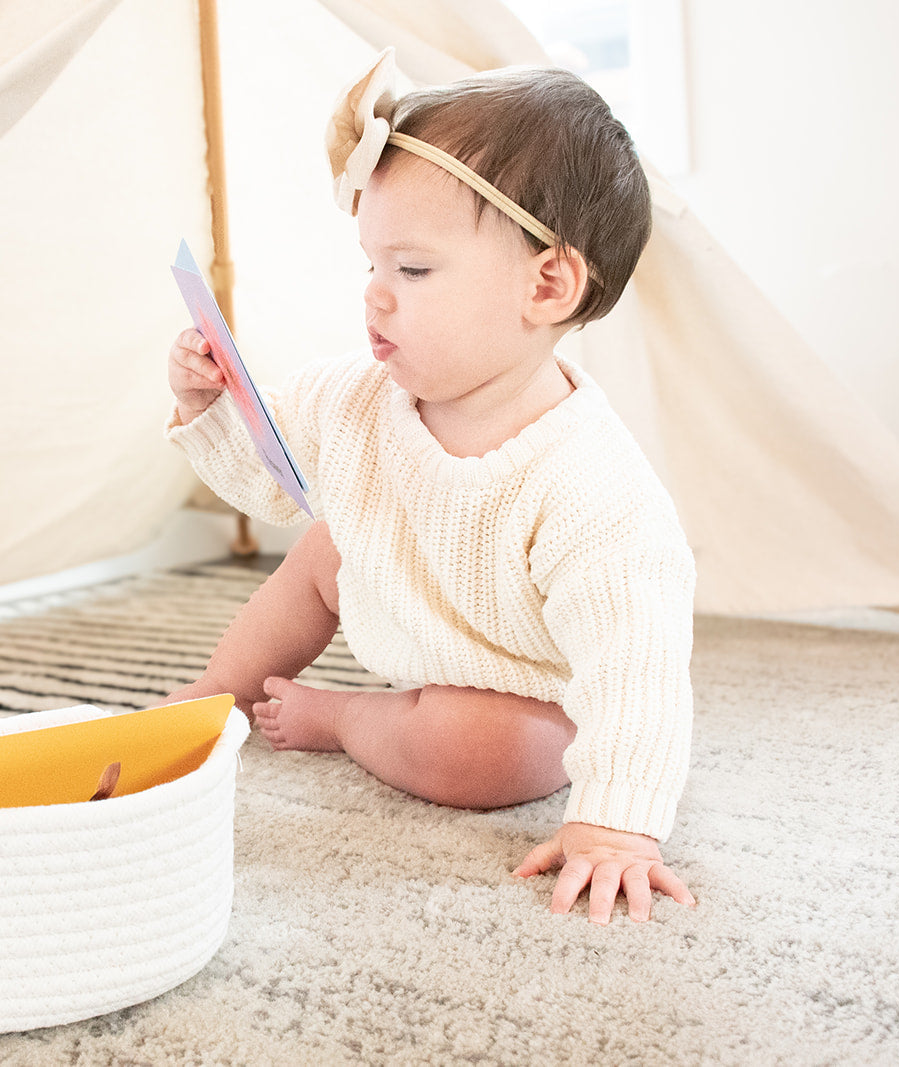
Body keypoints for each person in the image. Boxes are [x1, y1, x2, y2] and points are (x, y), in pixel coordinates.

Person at [161, 50, 697, 924]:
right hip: (404, 601)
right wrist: (210, 404)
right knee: (322, 547)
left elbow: (636, 665)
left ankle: (342, 719)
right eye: (370, 266)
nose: (375, 298)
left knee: (476, 751)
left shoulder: (595, 487)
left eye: (411, 271)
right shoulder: (356, 396)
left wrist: (617, 825)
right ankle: (219, 690)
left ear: (547, 284)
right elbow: (269, 480)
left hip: (518, 694)